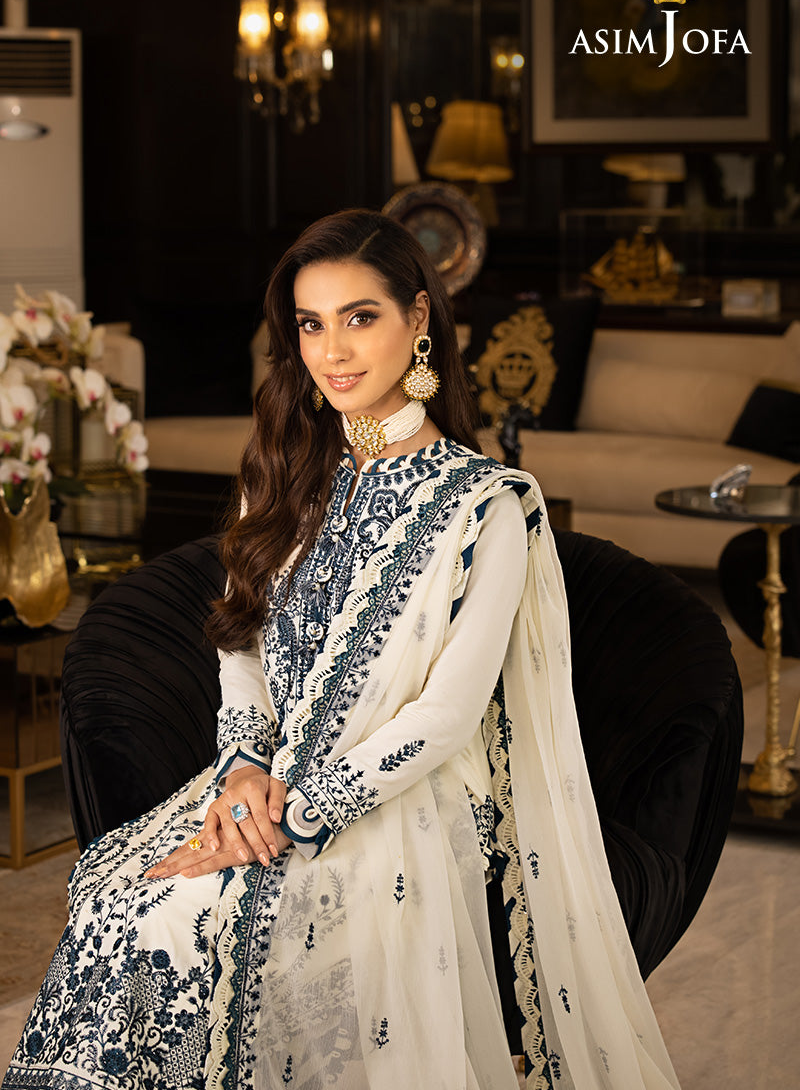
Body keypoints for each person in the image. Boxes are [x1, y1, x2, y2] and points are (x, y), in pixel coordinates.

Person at [3, 210, 680, 1090]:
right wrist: (243, 772)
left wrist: (295, 816)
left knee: (179, 918)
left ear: (418, 318)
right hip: (270, 777)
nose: (333, 350)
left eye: (360, 317)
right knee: (113, 897)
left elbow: (446, 716)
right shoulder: (284, 476)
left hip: (402, 799)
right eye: (311, 324)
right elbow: (240, 642)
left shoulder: (486, 506)